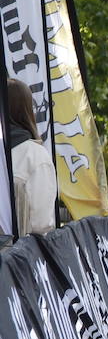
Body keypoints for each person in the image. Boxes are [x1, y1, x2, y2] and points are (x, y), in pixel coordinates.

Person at [6, 78, 57, 236]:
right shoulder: (35, 156)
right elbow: (41, 224)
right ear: (27, 109)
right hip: (18, 255)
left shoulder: (34, 155)